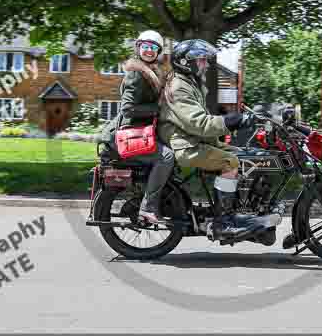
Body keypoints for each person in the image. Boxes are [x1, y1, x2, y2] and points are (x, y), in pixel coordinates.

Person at [159, 39, 267, 239]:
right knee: (230, 162)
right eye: (201, 60)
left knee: (246, 155)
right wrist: (233, 120)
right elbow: (199, 124)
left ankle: (241, 209)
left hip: (194, 139)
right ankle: (223, 222)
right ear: (186, 62)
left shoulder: (189, 82)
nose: (206, 64)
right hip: (186, 145)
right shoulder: (179, 87)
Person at [99, 30, 175, 224]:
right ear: (138, 47)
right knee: (166, 156)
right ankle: (148, 207)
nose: (149, 51)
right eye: (145, 47)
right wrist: (159, 109)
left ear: (158, 51)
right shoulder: (136, 74)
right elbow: (128, 109)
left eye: (153, 48)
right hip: (126, 136)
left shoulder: (151, 72)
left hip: (138, 132)